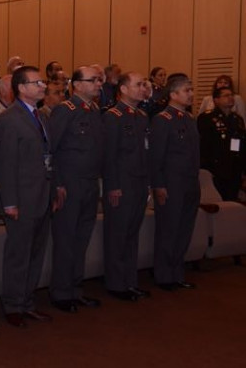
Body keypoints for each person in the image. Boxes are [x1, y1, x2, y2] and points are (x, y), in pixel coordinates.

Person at [0, 66, 58, 328]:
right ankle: (13, 305)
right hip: (21, 199)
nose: (43, 86)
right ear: (21, 88)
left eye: (42, 82)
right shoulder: (10, 119)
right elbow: (5, 165)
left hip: (42, 195)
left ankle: (27, 302)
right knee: (19, 254)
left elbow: (48, 157)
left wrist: (53, 191)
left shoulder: (41, 116)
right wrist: (9, 201)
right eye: (37, 83)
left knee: (36, 253)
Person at [47, 66, 104, 312]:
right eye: (93, 80)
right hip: (69, 184)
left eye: (100, 80)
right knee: (66, 239)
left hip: (90, 182)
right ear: (77, 85)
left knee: (82, 239)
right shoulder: (64, 110)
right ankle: (61, 293)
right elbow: (52, 149)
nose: (99, 84)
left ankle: (75, 289)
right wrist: (57, 183)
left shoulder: (93, 110)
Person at [102, 72, 152, 302]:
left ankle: (130, 281)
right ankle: (115, 283)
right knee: (118, 235)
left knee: (132, 234)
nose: (144, 88)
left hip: (139, 183)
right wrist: (112, 186)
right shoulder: (112, 117)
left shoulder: (141, 116)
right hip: (121, 185)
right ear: (122, 89)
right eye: (139, 84)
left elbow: (144, 151)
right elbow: (109, 155)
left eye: (144, 84)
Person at [148, 74, 199, 291]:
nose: (191, 94)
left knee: (184, 231)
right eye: (186, 90)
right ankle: (164, 275)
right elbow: (156, 157)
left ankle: (177, 273)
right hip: (171, 185)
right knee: (168, 231)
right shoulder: (162, 120)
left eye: (191, 90)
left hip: (190, 184)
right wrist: (159, 185)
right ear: (173, 94)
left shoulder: (189, 119)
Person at [198, 86, 245, 201]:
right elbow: (203, 145)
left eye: (231, 95)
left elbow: (241, 144)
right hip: (215, 168)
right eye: (226, 95)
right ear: (216, 100)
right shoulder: (207, 118)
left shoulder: (237, 119)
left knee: (232, 201)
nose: (230, 98)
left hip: (234, 168)